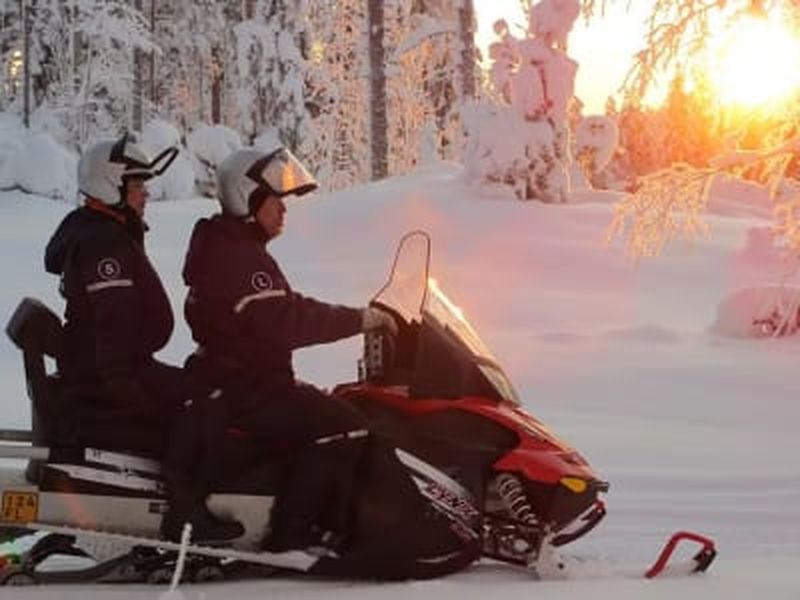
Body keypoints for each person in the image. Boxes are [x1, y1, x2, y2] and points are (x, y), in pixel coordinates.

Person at [161, 147, 396, 550]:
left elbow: (278, 309)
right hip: (245, 386)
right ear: (247, 198)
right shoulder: (238, 256)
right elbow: (286, 320)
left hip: (233, 379)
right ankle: (292, 533)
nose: (283, 211)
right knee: (342, 424)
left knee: (322, 408)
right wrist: (359, 320)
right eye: (275, 201)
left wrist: (356, 317)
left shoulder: (228, 246)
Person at [44, 134, 185, 456]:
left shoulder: (96, 230)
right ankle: (187, 500)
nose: (145, 194)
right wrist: (125, 388)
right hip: (108, 378)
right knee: (203, 408)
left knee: (199, 389)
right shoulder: (105, 242)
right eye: (137, 186)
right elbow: (113, 322)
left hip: (108, 369)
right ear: (111, 187)